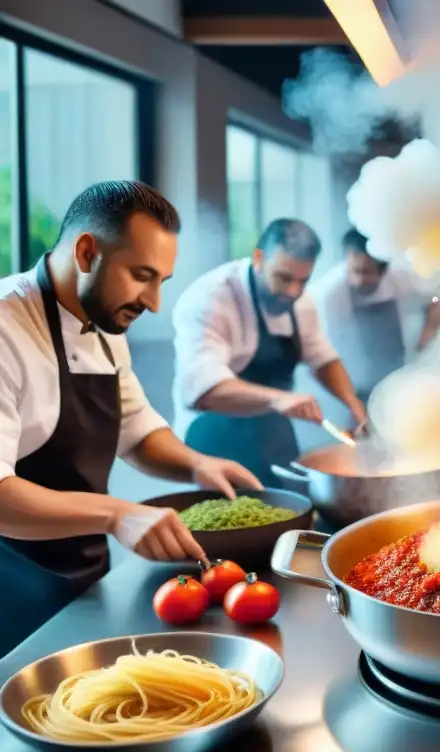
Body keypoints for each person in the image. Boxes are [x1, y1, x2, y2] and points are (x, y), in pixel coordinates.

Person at [0, 181, 260, 658]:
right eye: (143, 275)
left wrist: (197, 465)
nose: (155, 301)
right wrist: (118, 514)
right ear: (86, 252)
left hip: (83, 579)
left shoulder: (103, 321)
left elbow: (135, 428)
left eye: (163, 280)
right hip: (10, 589)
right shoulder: (5, 327)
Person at [172, 219, 367, 485]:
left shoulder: (301, 301)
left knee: (293, 506)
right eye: (284, 278)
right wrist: (279, 399)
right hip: (214, 435)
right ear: (258, 257)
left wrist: (356, 409)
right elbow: (201, 390)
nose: (293, 291)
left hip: (272, 431)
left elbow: (322, 359)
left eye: (303, 280)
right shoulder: (210, 299)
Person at [308, 228, 440, 409]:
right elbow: (319, 348)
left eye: (366, 272)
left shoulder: (402, 277)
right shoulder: (329, 293)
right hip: (353, 386)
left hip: (401, 378)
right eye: (353, 271)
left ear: (383, 269)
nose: (358, 280)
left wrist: (428, 333)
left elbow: (438, 296)